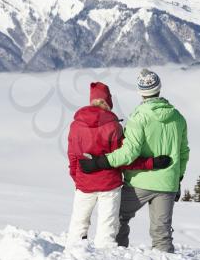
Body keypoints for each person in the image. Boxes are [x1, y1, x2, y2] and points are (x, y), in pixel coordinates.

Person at [79, 69, 190, 253]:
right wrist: (177, 180)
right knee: (162, 235)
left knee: (118, 217)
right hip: (168, 183)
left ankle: (118, 255)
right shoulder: (178, 118)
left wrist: (99, 162)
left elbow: (128, 154)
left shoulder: (138, 118)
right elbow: (184, 153)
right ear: (159, 89)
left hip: (139, 181)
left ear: (140, 91)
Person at [66, 81, 171, 249]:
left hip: (84, 184)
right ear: (108, 102)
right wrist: (151, 162)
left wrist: (77, 178)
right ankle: (104, 258)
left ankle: (74, 254)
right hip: (109, 185)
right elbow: (125, 158)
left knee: (78, 224)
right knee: (107, 230)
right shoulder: (113, 127)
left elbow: (72, 157)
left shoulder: (76, 125)